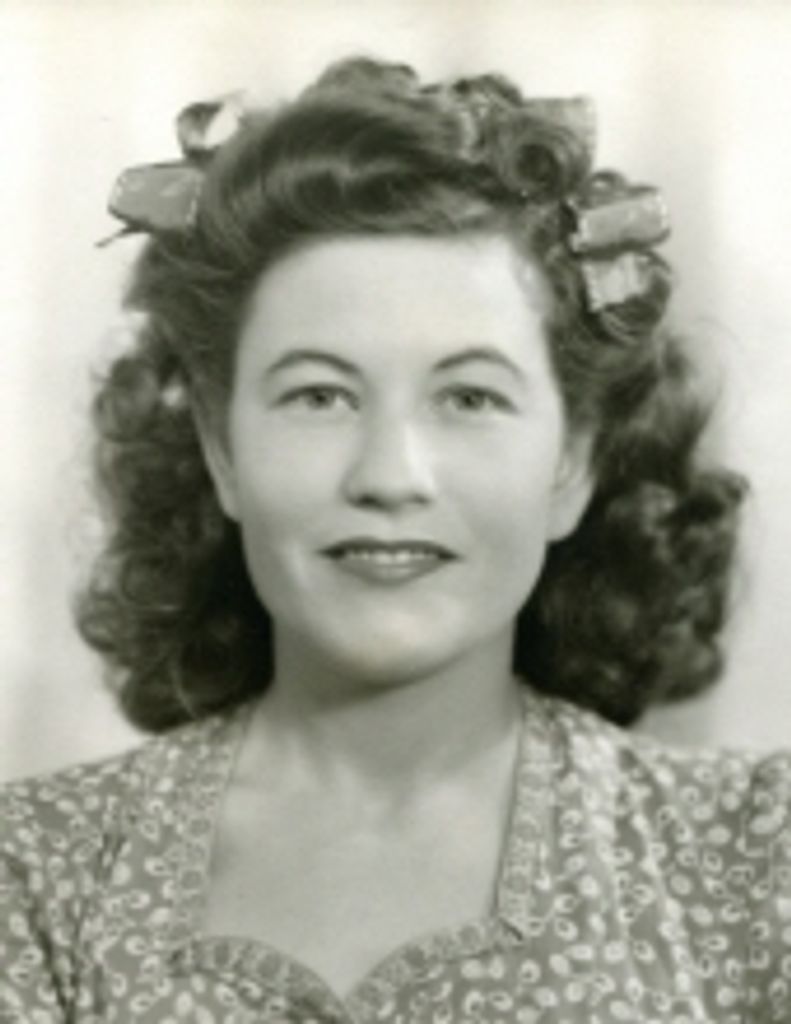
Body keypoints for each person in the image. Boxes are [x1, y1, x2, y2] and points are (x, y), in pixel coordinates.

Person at [1, 55, 789, 1022]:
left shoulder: (752, 859)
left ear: (574, 460)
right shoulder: (35, 876)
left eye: (469, 398)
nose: (388, 475)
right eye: (319, 396)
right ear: (221, 447)